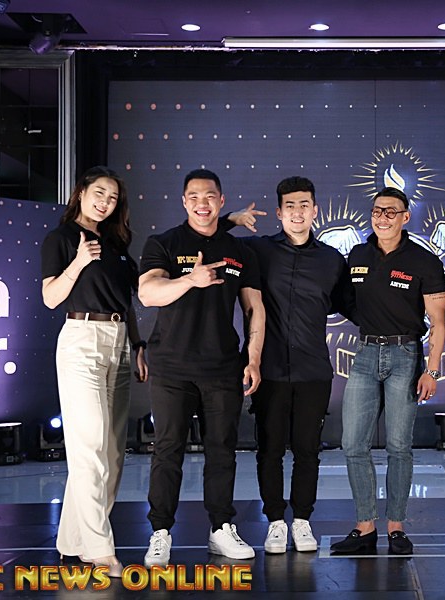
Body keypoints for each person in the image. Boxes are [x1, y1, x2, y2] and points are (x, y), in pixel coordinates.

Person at [138, 168, 265, 565]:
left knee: (222, 450)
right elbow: (148, 293)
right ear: (184, 202)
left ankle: (221, 528)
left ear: (221, 201)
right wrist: (189, 281)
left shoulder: (240, 251)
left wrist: (253, 358)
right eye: (193, 197)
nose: (202, 203)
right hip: (171, 366)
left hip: (223, 366)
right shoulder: (164, 243)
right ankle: (160, 531)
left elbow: (254, 308)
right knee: (168, 449)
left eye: (209, 196)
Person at [222, 176, 355, 554]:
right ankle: (276, 521)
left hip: (314, 370)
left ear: (315, 211)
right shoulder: (257, 251)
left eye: (304, 205)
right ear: (279, 213)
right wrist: (231, 219)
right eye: (290, 206)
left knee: (308, 450)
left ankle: (302, 521)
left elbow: (353, 306)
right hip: (269, 369)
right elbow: (207, 236)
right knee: (270, 450)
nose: (298, 213)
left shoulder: (332, 260)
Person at [41, 166, 148, 577]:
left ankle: (73, 541)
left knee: (113, 455)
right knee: (90, 452)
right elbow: (51, 298)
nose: (105, 202)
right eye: (99, 193)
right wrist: (79, 262)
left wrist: (138, 345)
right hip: (81, 341)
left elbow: (128, 301)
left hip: (119, 345)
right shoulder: (62, 238)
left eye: (113, 197)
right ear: (82, 192)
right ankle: (101, 550)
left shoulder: (117, 243)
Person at [330, 187, 445, 556]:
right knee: (353, 444)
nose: (383, 218)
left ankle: (396, 528)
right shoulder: (358, 254)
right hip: (365, 354)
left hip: (405, 356)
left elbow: (439, 322)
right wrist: (369, 320)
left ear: (405, 217)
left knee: (398, 447)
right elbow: (345, 300)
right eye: (377, 211)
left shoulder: (423, 261)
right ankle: (365, 527)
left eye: (391, 212)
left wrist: (431, 370)